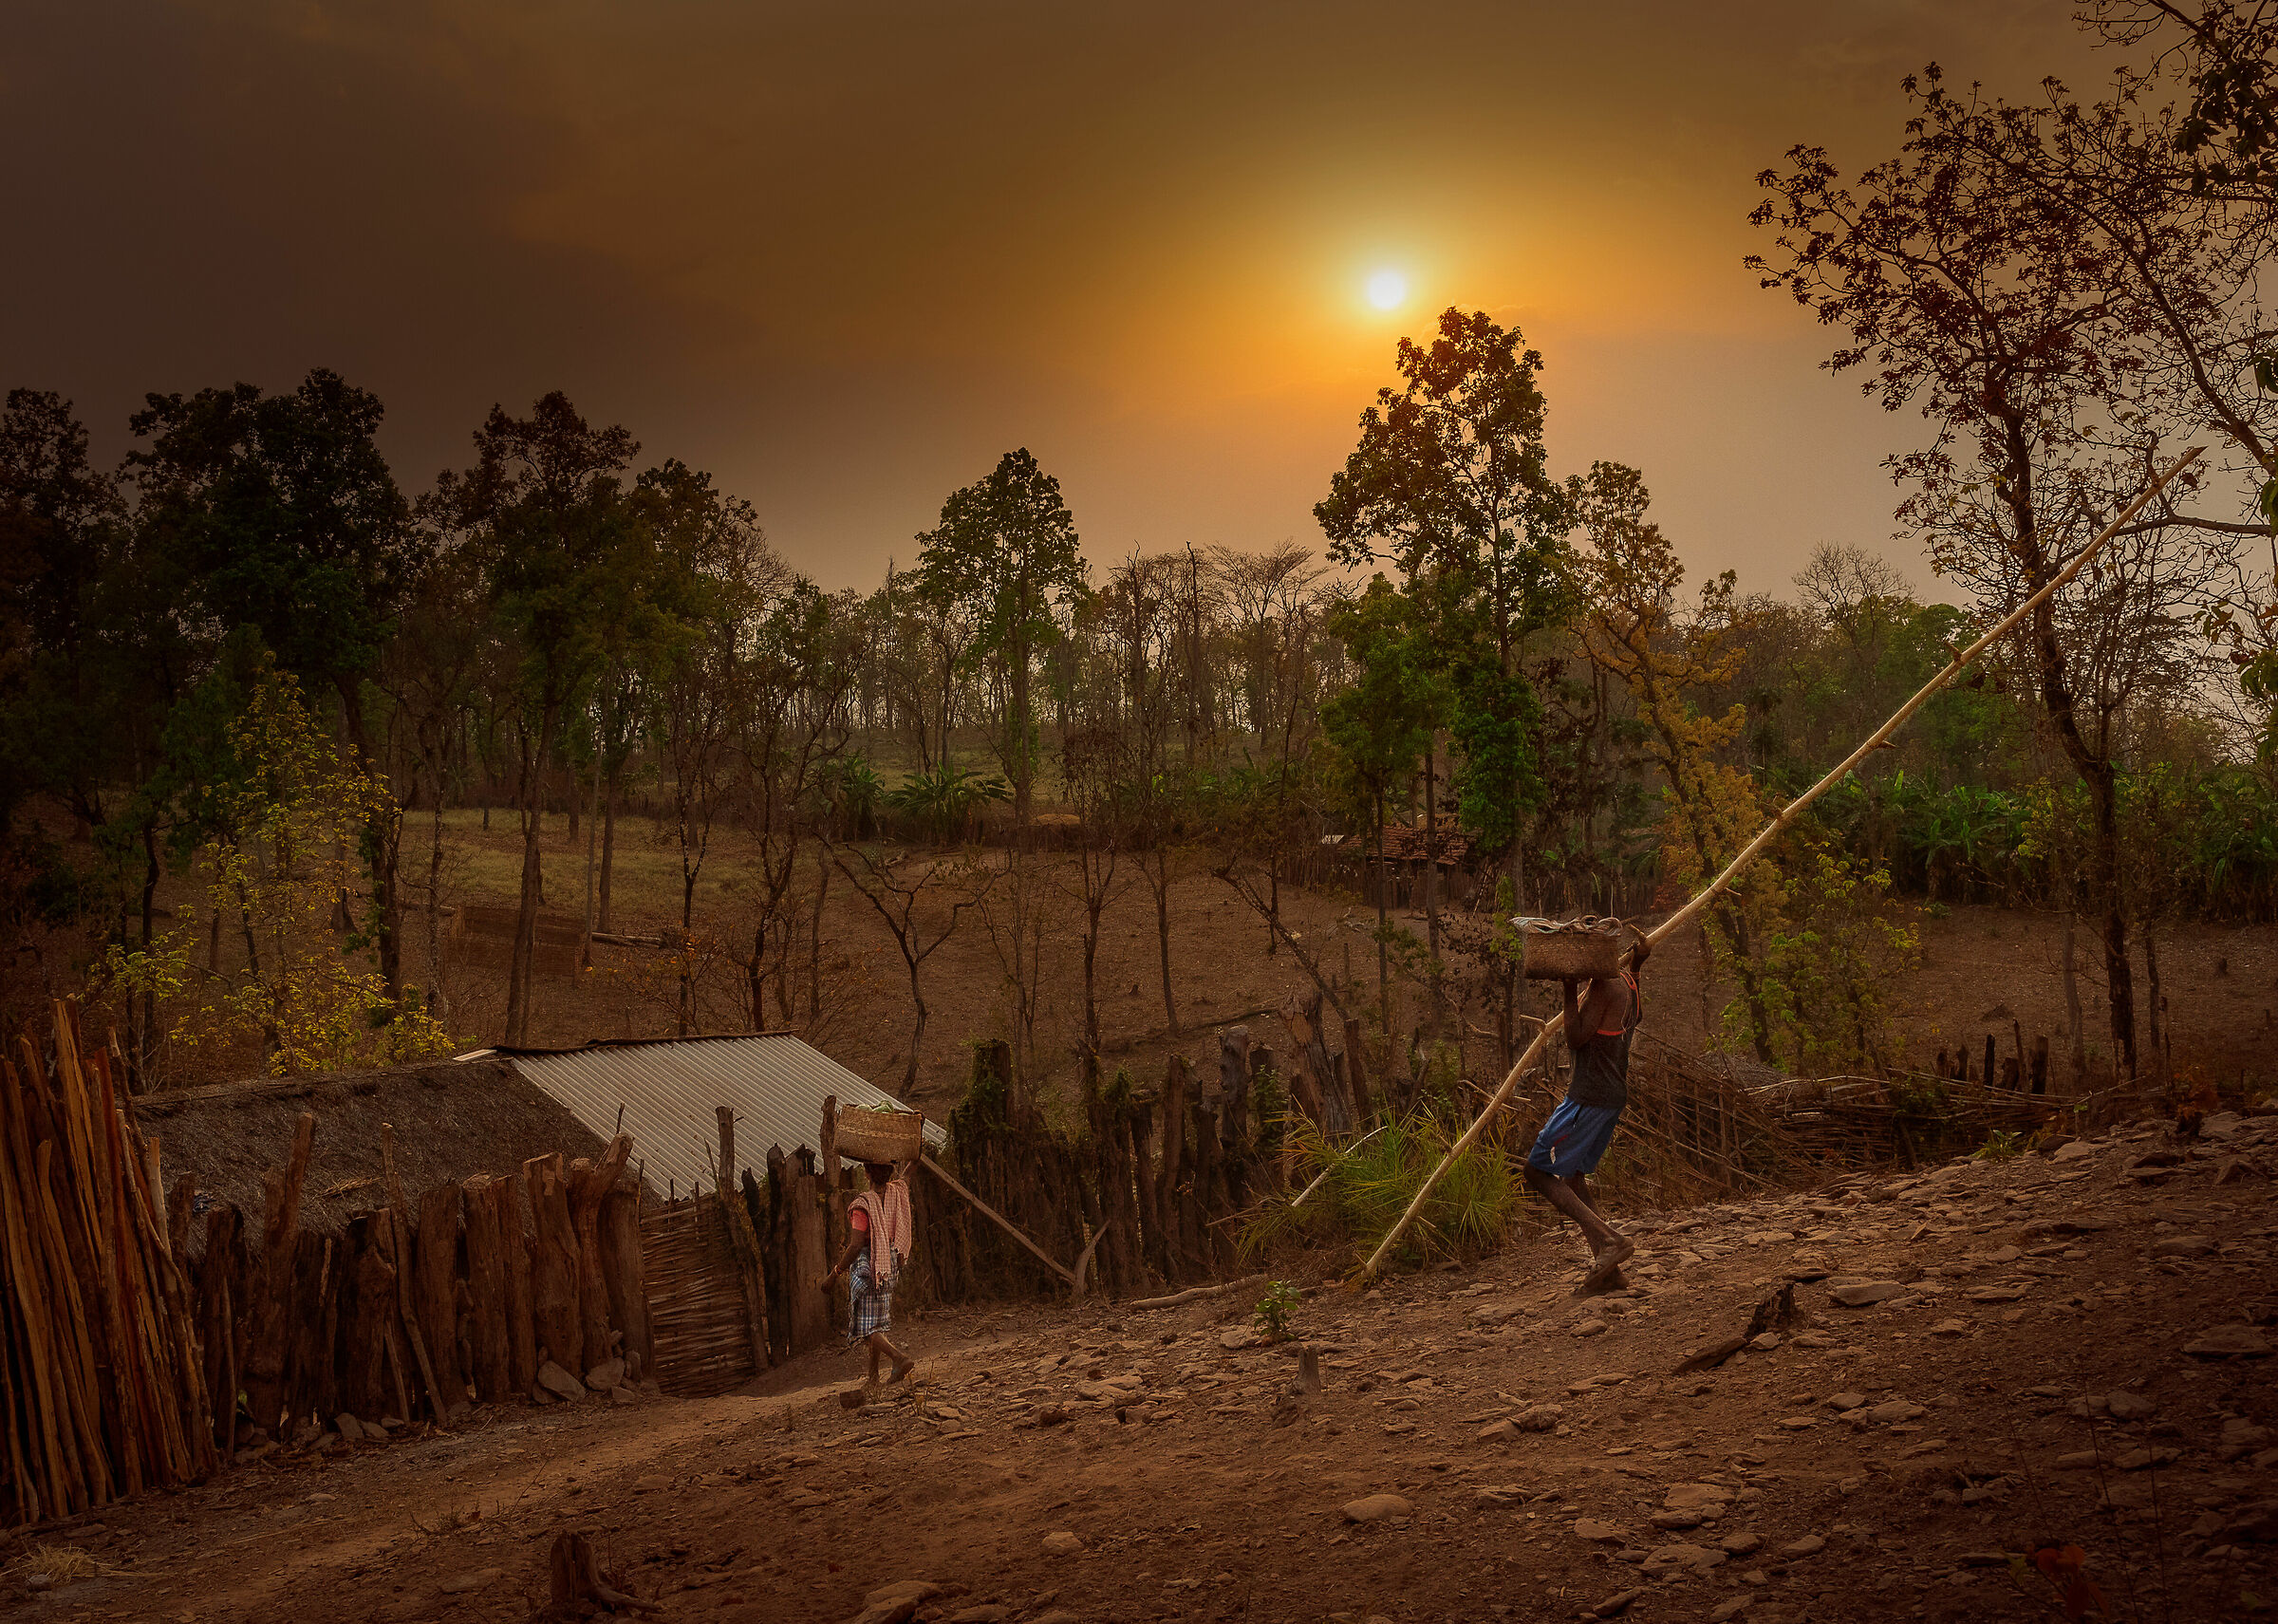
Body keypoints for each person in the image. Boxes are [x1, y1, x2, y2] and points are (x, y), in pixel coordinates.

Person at [1522, 936, 1648, 1290]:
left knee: (1536, 1171)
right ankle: (1610, 1272)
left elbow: (1575, 1037)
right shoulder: (1627, 981)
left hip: (1587, 1098)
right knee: (1573, 1180)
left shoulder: (1604, 986)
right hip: (1610, 1096)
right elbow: (1638, 1014)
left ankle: (1611, 1241)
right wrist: (1637, 965)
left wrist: (1568, 988)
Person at [823, 1160, 916, 1385]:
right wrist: (917, 1145)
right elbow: (910, 1172)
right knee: (877, 1323)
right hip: (889, 1265)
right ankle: (873, 1376)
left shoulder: (862, 1205)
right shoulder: (897, 1191)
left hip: (869, 1267)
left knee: (866, 1329)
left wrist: (835, 1274)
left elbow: (855, 1246)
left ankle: (898, 1357)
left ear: (867, 1173)